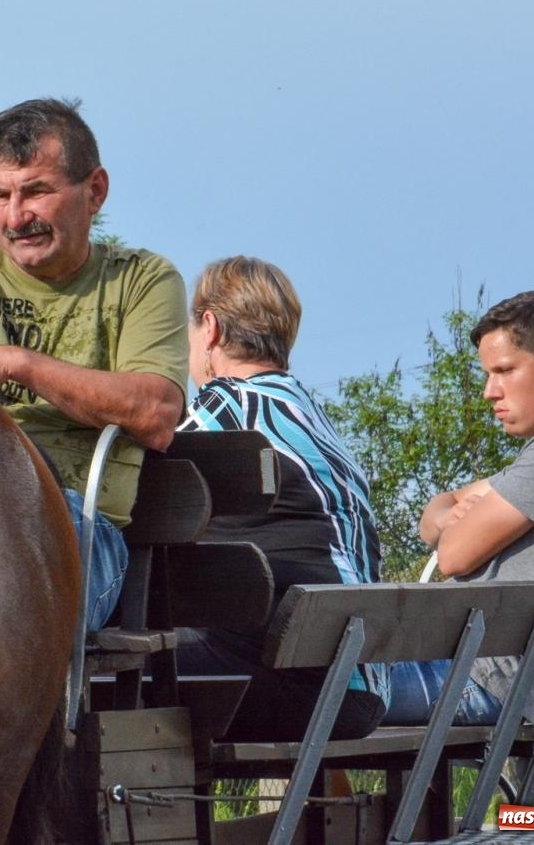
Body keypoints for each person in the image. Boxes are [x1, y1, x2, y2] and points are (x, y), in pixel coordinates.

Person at [0, 98, 187, 631]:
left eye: (36, 191)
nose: (16, 217)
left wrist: (16, 363)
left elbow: (155, 413)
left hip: (80, 523)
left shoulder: (143, 280)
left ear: (95, 191)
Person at [384, 290, 534, 725]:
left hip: (482, 681)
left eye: (503, 371)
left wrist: (451, 526)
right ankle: (329, 797)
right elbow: (439, 511)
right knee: (317, 687)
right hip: (467, 670)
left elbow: (452, 555)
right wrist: (448, 518)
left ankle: (316, 797)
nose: (487, 392)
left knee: (311, 691)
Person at [175, 256, 387, 740]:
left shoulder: (230, 403)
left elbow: (134, 493)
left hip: (294, 687)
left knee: (82, 677)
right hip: (359, 690)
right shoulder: (307, 412)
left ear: (209, 328)